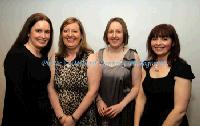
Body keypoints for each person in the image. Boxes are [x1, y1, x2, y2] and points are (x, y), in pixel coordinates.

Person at [134, 24, 195, 126]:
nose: (158, 43)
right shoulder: (146, 66)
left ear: (173, 42)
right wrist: (136, 124)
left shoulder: (182, 68)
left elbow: (180, 111)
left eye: (164, 39)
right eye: (154, 39)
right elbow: (141, 98)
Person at [2, 13, 54, 126]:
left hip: (43, 119)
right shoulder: (17, 55)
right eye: (38, 31)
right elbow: (17, 96)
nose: (43, 36)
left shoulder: (43, 55)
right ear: (28, 32)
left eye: (47, 32)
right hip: (22, 120)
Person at [48, 17, 101, 126]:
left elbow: (93, 92)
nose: (70, 34)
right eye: (66, 31)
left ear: (81, 36)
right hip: (59, 119)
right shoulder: (54, 58)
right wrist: (61, 117)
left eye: (75, 31)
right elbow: (51, 89)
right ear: (61, 35)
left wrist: (73, 119)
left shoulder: (91, 58)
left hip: (84, 119)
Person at [96, 17, 141, 126]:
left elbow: (136, 87)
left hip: (125, 112)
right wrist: (98, 101)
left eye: (118, 32)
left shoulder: (133, 56)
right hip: (102, 113)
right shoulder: (97, 55)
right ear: (106, 35)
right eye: (111, 32)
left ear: (124, 35)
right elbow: (92, 84)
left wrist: (121, 105)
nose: (114, 35)